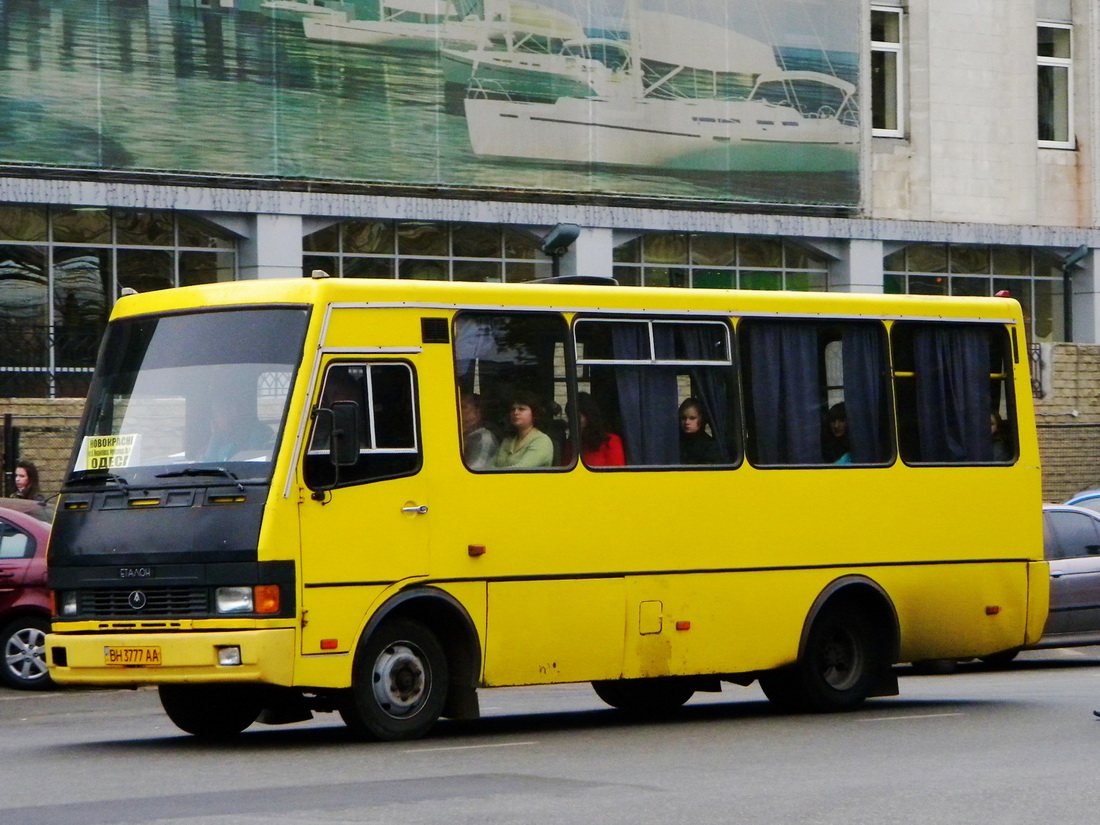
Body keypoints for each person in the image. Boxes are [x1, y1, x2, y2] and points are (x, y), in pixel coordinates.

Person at [200, 394, 274, 462]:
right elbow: (205, 466)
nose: (214, 420)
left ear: (233, 411)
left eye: (217, 414)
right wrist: (215, 437)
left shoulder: (259, 434)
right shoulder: (221, 440)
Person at [493, 391, 554, 469]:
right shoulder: (508, 441)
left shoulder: (542, 441)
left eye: (521, 409)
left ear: (534, 414)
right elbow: (493, 465)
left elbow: (521, 469)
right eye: (513, 409)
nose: (515, 412)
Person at [568, 392, 625, 467]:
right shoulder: (571, 445)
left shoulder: (610, 442)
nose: (575, 422)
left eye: (579, 417)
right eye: (570, 417)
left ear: (590, 416)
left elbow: (617, 473)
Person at [678, 398, 722, 465]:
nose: (687, 422)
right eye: (683, 418)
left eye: (692, 418)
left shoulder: (709, 446)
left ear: (701, 419)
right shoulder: (676, 441)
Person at [461, 393, 499, 469]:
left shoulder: (483, 438)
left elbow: (475, 469)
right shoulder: (465, 436)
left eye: (463, 407)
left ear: (476, 413)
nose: (459, 410)